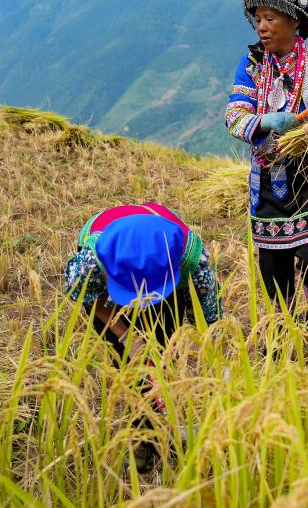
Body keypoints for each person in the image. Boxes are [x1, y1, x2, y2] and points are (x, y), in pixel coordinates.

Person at [225, 0, 308, 325]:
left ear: (294, 22)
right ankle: (280, 333)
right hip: (270, 182)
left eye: (270, 18)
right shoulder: (252, 64)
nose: (261, 27)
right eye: (257, 19)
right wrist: (266, 121)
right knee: (273, 267)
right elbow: (235, 117)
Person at [62, 202, 221, 473]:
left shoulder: (191, 258)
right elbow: (85, 297)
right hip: (114, 280)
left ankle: (165, 422)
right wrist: (128, 337)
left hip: (165, 273)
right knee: (130, 366)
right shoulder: (91, 263)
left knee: (163, 351)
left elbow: (209, 318)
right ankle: (143, 441)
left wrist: (212, 357)